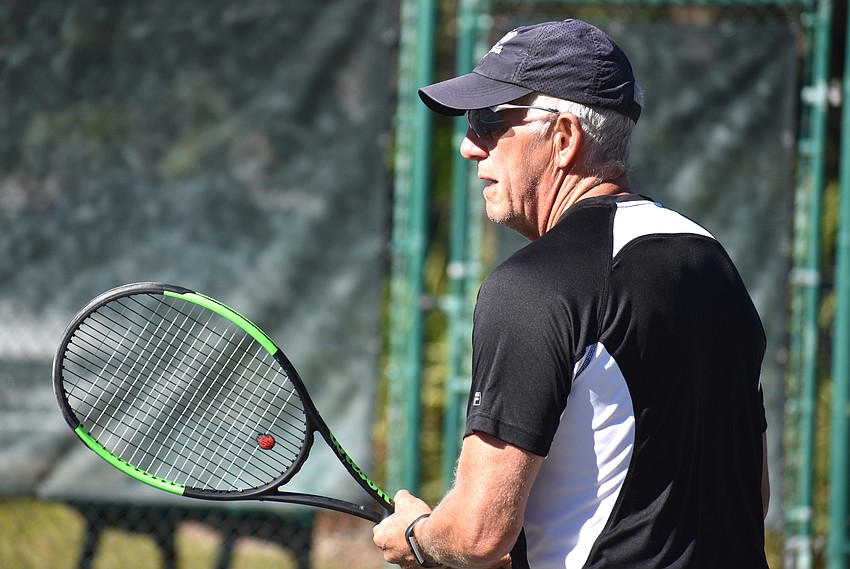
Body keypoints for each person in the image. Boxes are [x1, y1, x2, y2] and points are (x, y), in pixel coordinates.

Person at [373, 18, 770, 569]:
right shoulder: (713, 265)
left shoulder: (534, 285)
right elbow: (747, 497)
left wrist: (418, 538)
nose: (469, 146)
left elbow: (476, 534)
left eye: (490, 121)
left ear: (563, 138)